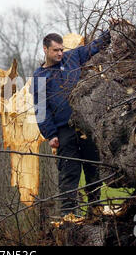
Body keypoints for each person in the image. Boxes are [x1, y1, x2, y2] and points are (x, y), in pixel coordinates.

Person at [32, 29, 112, 217]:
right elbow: (41, 109)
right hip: (63, 132)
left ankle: (96, 211)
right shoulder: (40, 76)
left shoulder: (72, 57)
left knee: (93, 171)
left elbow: (93, 48)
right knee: (69, 174)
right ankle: (69, 217)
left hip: (85, 126)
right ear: (45, 49)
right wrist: (50, 134)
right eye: (55, 50)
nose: (59, 53)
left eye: (61, 49)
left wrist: (110, 33)